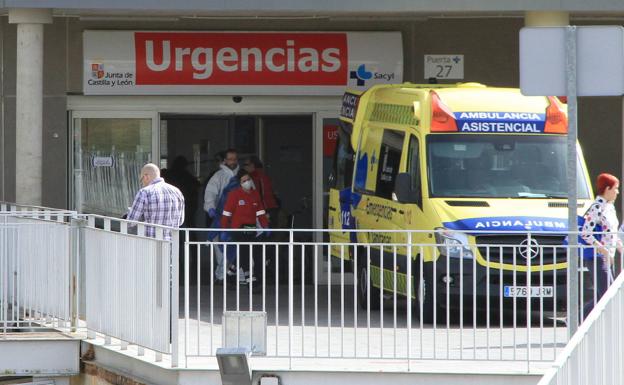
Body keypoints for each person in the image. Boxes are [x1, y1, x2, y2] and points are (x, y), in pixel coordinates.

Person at [581, 173, 623, 319]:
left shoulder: (610, 208)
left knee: (603, 295)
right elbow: (586, 233)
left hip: (607, 257)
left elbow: (612, 232)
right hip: (597, 257)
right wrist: (603, 249)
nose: (617, 192)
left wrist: (620, 247)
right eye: (615, 188)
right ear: (607, 189)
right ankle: (578, 318)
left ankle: (576, 318)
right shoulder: (597, 207)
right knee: (608, 295)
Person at [221, 169, 270, 287]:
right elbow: (226, 214)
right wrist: (224, 230)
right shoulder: (234, 195)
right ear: (240, 183)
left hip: (251, 229)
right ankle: (249, 277)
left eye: (248, 179)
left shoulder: (255, 194)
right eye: (244, 181)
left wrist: (266, 226)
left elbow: (260, 213)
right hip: (237, 229)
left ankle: (230, 273)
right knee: (245, 251)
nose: (247, 182)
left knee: (245, 251)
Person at [204, 149, 240, 281]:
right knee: (221, 248)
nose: (232, 162)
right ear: (224, 160)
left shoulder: (243, 175)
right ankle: (222, 275)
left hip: (240, 220)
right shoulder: (218, 176)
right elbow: (210, 193)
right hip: (222, 219)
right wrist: (211, 208)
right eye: (230, 159)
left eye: (234, 159)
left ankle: (239, 275)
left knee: (240, 247)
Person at [126, 163, 185, 239]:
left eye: (141, 180)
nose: (142, 183)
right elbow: (180, 221)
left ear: (146, 177)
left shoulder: (144, 192)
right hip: (170, 243)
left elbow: (130, 222)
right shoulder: (177, 192)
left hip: (150, 242)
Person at [244, 156, 279, 228]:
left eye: (245, 165)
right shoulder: (264, 175)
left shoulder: (254, 177)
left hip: (264, 209)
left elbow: (259, 195)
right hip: (270, 208)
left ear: (252, 165)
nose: (244, 167)